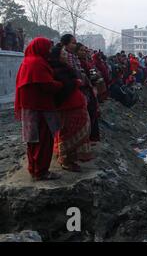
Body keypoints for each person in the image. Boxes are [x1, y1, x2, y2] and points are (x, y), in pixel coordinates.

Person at [15, 38, 63, 181]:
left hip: (32, 107)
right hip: (40, 108)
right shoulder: (36, 63)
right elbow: (46, 85)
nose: (49, 51)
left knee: (33, 141)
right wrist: (61, 84)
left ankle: (34, 169)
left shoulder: (29, 61)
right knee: (43, 141)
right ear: (40, 48)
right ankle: (41, 171)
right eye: (47, 48)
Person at [50, 44, 92, 172]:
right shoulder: (56, 70)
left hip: (75, 105)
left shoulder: (65, 68)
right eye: (63, 54)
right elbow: (62, 88)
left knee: (74, 132)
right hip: (67, 107)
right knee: (67, 133)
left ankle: (70, 158)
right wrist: (75, 83)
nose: (66, 56)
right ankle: (65, 160)